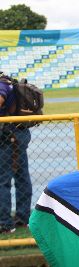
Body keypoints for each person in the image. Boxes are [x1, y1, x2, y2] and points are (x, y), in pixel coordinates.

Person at [0, 72, 32, 234]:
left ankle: (5, 224)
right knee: (21, 177)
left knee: (3, 181)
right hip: (17, 134)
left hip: (8, 138)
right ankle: (22, 219)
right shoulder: (7, 81)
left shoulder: (2, 84)